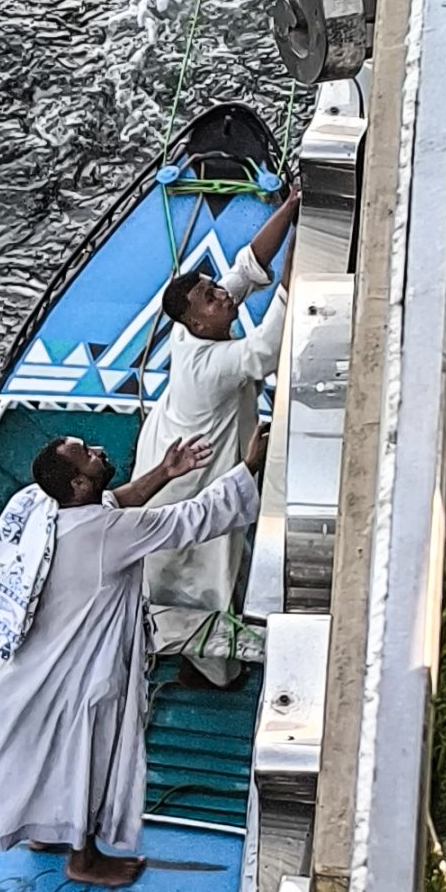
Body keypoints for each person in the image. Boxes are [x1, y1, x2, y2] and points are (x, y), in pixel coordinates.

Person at [0, 423, 267, 887]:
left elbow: (113, 500)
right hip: (79, 678)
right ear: (78, 484)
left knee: (39, 758)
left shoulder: (41, 507)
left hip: (25, 672)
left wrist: (166, 472)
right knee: (86, 760)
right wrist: (248, 466)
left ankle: (44, 834)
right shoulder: (107, 534)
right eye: (88, 455)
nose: (98, 449)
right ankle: (84, 858)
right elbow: (192, 518)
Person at [130, 177, 299, 682]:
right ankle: (212, 667)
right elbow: (267, 347)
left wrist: (293, 206)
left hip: (178, 447)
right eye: (210, 296)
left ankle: (199, 657)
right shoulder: (208, 365)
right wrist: (304, 251)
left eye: (213, 288)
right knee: (203, 568)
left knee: (196, 564)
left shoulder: (200, 323)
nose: (221, 295)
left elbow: (247, 267)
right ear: (197, 323)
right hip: (191, 476)